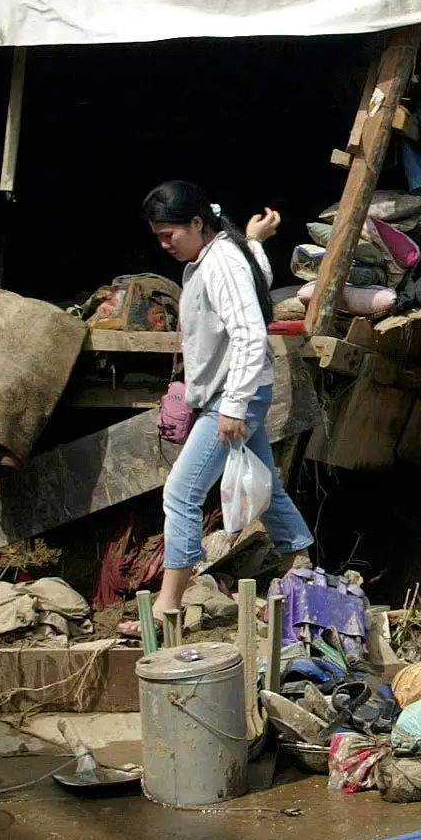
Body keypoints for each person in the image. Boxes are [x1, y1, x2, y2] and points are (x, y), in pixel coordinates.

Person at [144, 180, 313, 626]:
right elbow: (255, 283)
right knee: (265, 485)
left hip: (233, 394)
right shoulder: (223, 253)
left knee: (181, 493)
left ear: (198, 223)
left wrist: (234, 406)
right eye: (158, 236)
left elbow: (250, 332)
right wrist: (255, 242)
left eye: (169, 234)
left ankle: (168, 606)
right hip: (232, 391)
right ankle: (301, 565)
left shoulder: (220, 263)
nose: (165, 245)